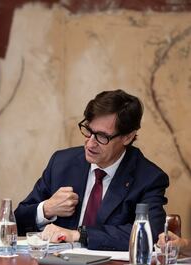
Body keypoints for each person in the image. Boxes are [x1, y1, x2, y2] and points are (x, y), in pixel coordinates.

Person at [14, 89, 168, 251]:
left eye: (102, 136)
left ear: (128, 137)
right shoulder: (62, 163)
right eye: (88, 131)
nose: (90, 143)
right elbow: (15, 223)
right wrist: (46, 209)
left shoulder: (149, 178)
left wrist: (79, 235)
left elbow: (149, 233)